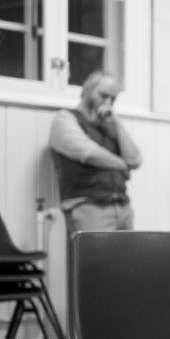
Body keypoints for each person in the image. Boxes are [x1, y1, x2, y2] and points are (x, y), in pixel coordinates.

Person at [49, 70, 142, 238]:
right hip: (89, 207)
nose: (108, 103)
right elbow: (91, 154)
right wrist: (123, 165)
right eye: (103, 95)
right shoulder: (65, 119)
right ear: (86, 90)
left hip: (123, 207)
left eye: (113, 99)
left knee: (131, 256)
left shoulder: (109, 126)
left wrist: (116, 123)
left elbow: (135, 160)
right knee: (95, 256)